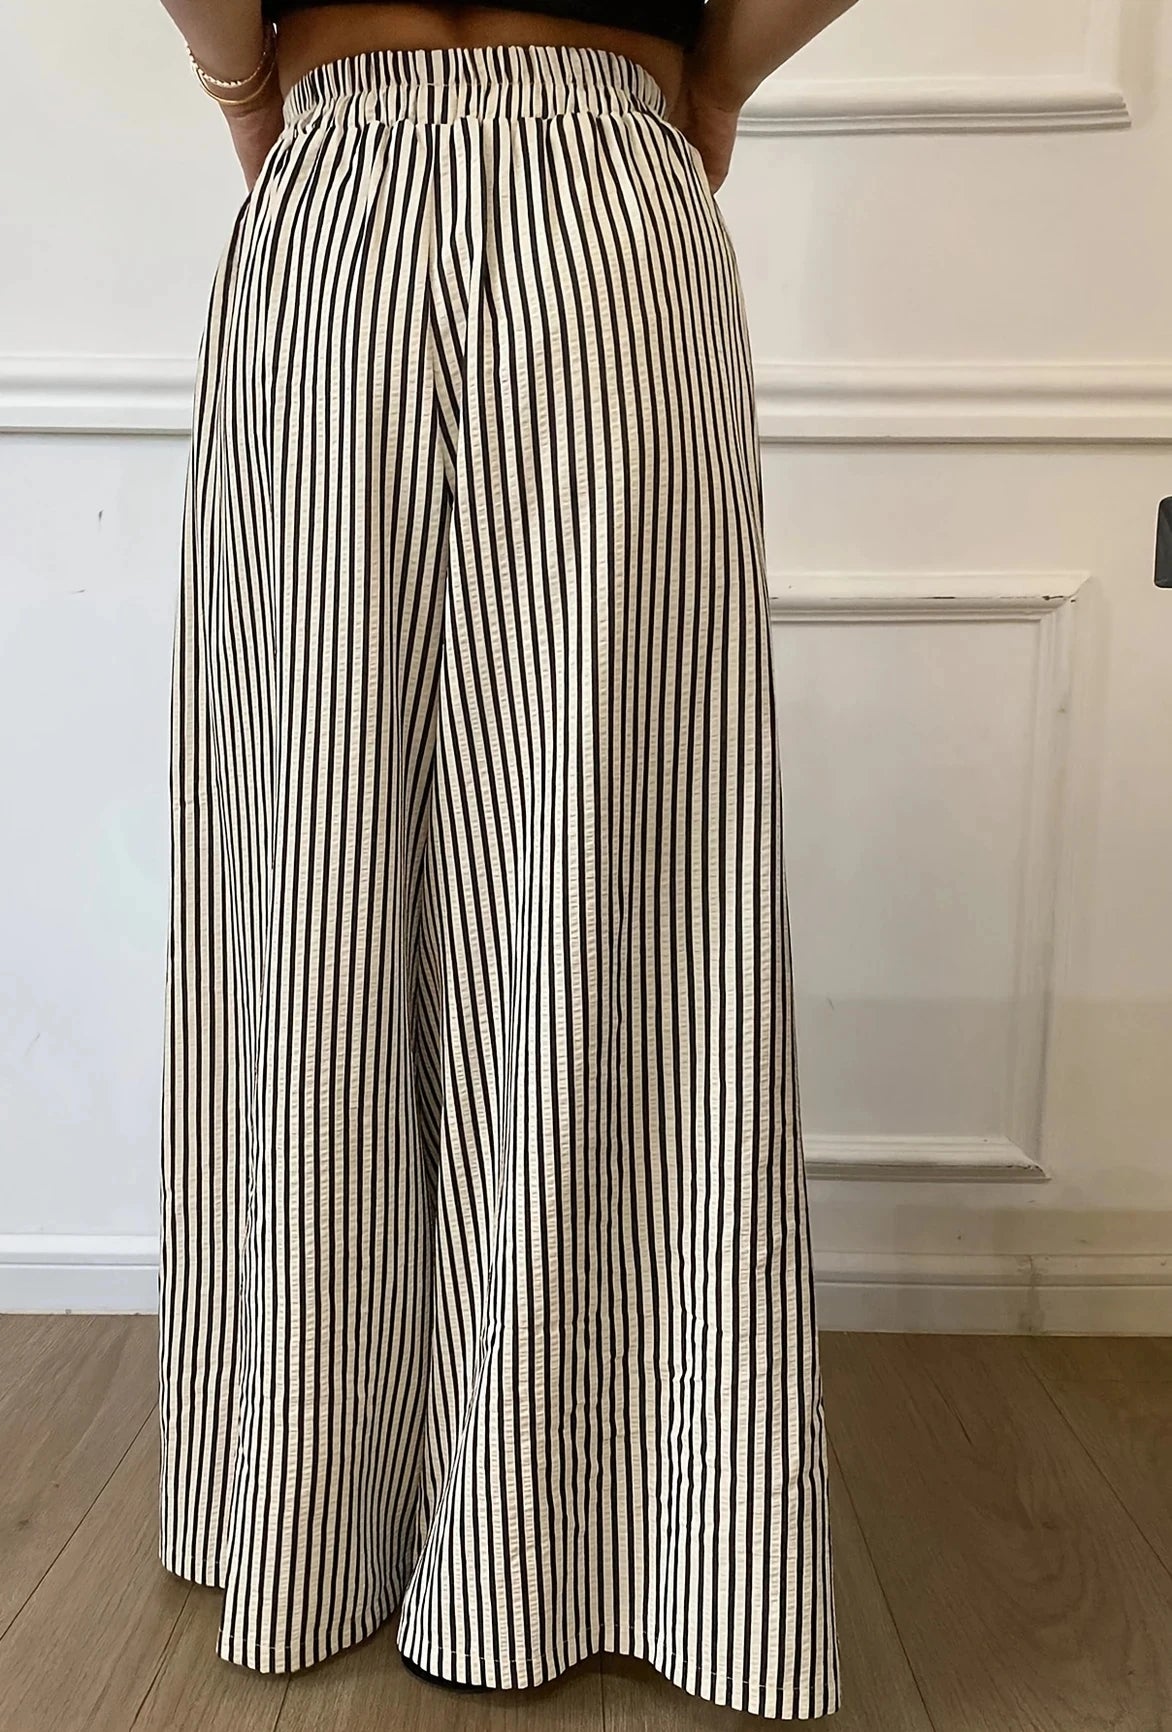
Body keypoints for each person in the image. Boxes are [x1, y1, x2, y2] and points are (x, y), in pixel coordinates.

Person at [155, 0, 854, 1717]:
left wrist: (243, 86)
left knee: (308, 877)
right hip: (614, 208)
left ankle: (310, 1508)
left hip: (333, 207)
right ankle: (623, 1542)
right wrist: (715, 78)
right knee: (630, 897)